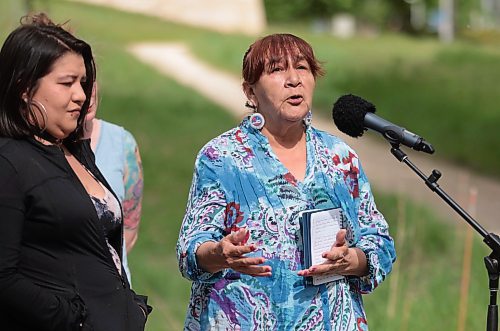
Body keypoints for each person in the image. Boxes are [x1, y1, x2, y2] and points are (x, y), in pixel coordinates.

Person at [176, 33, 396, 330]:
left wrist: (351, 260)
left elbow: (379, 242)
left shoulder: (339, 157)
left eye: (303, 67)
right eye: (277, 69)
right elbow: (191, 250)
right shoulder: (221, 158)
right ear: (251, 93)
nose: (294, 79)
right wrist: (221, 254)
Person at [0, 13, 150, 330]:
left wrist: (132, 307)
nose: (81, 95)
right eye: (67, 83)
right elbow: (4, 276)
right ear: (24, 88)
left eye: (83, 83)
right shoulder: (9, 161)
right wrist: (75, 317)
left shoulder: (76, 152)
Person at [84, 82, 144, 285]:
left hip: (115, 293)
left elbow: (129, 229)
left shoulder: (122, 143)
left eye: (89, 81)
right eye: (69, 81)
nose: (86, 93)